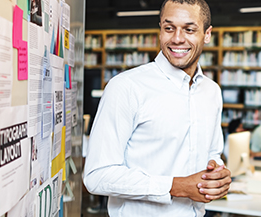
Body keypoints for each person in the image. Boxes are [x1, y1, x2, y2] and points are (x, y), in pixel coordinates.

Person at [83, 0, 232, 216]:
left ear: (207, 34)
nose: (177, 38)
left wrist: (218, 174)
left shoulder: (211, 92)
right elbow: (97, 176)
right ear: (160, 30)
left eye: (189, 29)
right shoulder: (126, 87)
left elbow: (212, 153)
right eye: (169, 28)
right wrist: (176, 186)